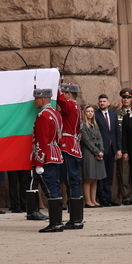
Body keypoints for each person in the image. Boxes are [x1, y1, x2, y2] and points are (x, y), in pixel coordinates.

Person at [30, 88, 65, 232]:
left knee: (50, 190)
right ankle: (57, 222)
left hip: (47, 157)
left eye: (37, 98)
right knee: (54, 188)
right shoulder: (55, 113)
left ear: (43, 99)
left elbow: (41, 141)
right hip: (55, 154)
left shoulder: (43, 116)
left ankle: (55, 223)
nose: (35, 101)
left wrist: (39, 162)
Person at [56, 83, 84, 229]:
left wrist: (56, 85)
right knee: (73, 181)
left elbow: (60, 101)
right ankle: (76, 217)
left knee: (70, 180)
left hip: (68, 144)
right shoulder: (78, 107)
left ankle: (76, 219)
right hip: (74, 144)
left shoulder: (70, 106)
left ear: (68, 94)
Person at [95, 94, 122, 207]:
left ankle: (109, 197)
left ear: (108, 103)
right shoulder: (95, 115)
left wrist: (119, 149)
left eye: (104, 101)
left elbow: (117, 133)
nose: (102, 103)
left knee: (110, 175)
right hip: (101, 149)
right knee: (101, 175)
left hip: (112, 149)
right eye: (100, 101)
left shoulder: (113, 115)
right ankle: (102, 199)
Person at [79, 105, 106, 208]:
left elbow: (100, 138)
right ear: (85, 113)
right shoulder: (83, 126)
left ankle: (94, 200)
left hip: (98, 152)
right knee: (89, 177)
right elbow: (87, 141)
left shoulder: (95, 125)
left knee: (95, 178)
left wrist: (101, 151)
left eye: (92, 111)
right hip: (89, 152)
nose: (90, 113)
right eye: (88, 111)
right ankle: (88, 201)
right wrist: (96, 151)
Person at [115, 88, 132, 205]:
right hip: (123, 147)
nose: (126, 99)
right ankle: (127, 196)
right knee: (124, 173)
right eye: (124, 97)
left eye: (128, 97)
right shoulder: (117, 113)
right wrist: (113, 107)